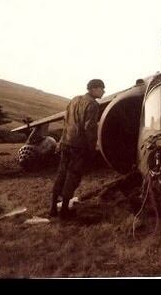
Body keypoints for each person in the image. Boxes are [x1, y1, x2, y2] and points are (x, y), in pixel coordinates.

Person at [49, 79, 105, 219]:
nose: (104, 91)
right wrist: (92, 149)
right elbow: (89, 129)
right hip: (78, 147)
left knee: (61, 174)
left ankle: (52, 208)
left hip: (66, 143)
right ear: (93, 89)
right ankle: (64, 211)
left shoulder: (74, 100)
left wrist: (61, 142)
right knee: (72, 176)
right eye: (101, 88)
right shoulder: (92, 104)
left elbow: (66, 122)